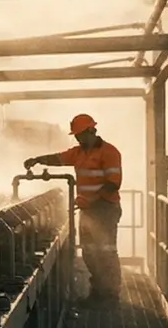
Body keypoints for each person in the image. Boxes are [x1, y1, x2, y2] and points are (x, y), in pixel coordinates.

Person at [24, 113, 123, 302]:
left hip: (105, 210)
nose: (78, 139)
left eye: (80, 135)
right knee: (90, 252)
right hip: (89, 211)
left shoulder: (109, 152)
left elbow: (113, 184)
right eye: (76, 136)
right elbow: (58, 158)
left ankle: (111, 296)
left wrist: (92, 200)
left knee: (106, 252)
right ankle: (98, 293)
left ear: (91, 131)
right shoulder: (79, 153)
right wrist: (37, 159)